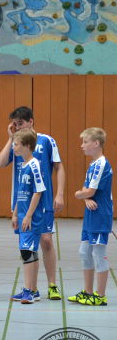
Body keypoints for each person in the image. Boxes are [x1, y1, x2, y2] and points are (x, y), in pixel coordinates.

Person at [0, 106, 65, 301]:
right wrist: (10, 138)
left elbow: (59, 167)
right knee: (28, 246)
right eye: (14, 124)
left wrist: (59, 194)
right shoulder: (16, 143)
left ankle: (52, 285)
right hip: (23, 202)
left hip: (43, 201)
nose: (17, 127)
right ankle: (31, 288)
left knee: (46, 240)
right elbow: (0, 163)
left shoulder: (46, 141)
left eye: (20, 124)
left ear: (31, 121)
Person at [68, 128, 111, 306]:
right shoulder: (93, 165)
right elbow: (87, 192)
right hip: (90, 215)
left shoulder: (101, 164)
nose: (82, 145)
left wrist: (79, 195)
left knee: (99, 254)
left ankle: (100, 296)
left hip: (100, 215)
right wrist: (85, 198)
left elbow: (88, 191)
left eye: (85, 142)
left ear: (96, 143)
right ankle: (87, 292)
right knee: (84, 252)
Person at [9, 129, 46, 305]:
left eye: (16, 144)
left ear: (27, 146)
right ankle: (33, 290)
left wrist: (29, 215)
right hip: (23, 214)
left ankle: (28, 291)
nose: (13, 147)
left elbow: (38, 192)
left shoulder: (34, 165)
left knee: (26, 252)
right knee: (30, 251)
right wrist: (15, 214)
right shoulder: (23, 165)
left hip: (32, 216)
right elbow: (20, 193)